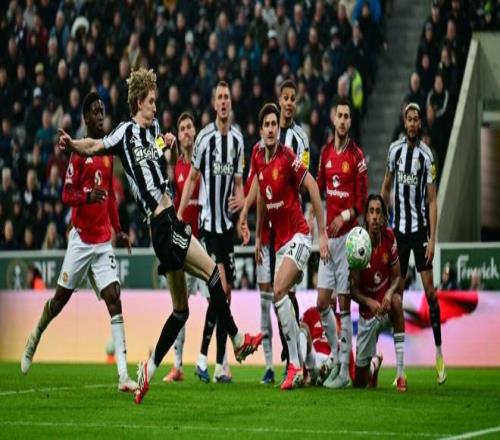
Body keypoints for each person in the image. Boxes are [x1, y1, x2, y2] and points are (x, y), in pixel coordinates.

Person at [57, 68, 262, 404]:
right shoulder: (124, 133)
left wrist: (167, 146)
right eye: (152, 101)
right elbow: (93, 145)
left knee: (181, 311)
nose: (156, 106)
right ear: (139, 101)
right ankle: (238, 342)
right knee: (213, 272)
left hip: (166, 227)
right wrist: (72, 145)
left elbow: (159, 160)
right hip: (164, 224)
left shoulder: (152, 133)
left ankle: (147, 373)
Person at [21, 92, 137, 392]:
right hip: (81, 240)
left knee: (114, 298)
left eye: (103, 111)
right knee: (59, 302)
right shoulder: (78, 154)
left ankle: (123, 375)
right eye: (96, 112)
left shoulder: (108, 154)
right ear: (86, 118)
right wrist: (86, 196)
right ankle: (34, 336)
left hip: (102, 242)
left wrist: (119, 229)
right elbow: (66, 194)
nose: (101, 116)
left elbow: (110, 197)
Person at [251, 103, 329, 390]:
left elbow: (313, 187)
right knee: (281, 300)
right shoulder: (257, 157)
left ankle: (294, 365)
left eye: (274, 124)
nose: (271, 129)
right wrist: (258, 235)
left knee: (278, 291)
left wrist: (321, 234)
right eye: (267, 125)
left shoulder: (288, 157)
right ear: (261, 130)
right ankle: (312, 363)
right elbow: (262, 196)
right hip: (279, 244)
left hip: (299, 236)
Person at [239, 79, 310, 384]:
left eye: (294, 98)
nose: (289, 102)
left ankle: (295, 360)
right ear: (280, 101)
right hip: (270, 231)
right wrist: (250, 221)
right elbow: (259, 187)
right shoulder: (259, 152)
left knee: (284, 293)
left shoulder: (298, 142)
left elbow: (304, 183)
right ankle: (285, 361)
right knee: (270, 296)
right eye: (285, 98)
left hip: (293, 228)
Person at [177, 80, 245, 384]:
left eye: (227, 97)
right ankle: (206, 359)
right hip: (208, 226)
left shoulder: (238, 140)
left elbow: (239, 185)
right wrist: (180, 215)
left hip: (227, 228)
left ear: (230, 102)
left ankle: (216, 364)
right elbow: (192, 179)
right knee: (221, 287)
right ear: (214, 103)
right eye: (220, 97)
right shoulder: (204, 138)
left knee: (223, 296)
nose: (224, 101)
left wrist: (242, 213)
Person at [381, 102, 446, 384]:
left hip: (419, 233)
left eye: (416, 119)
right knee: (396, 296)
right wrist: (382, 226)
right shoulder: (394, 151)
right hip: (398, 233)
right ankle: (400, 368)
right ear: (404, 121)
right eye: (409, 119)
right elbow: (386, 188)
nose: (412, 124)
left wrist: (432, 239)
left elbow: (432, 200)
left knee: (430, 293)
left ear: (420, 124)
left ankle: (439, 353)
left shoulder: (427, 156)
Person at [313, 97, 368, 389]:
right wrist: (319, 233)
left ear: (350, 121)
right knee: (323, 302)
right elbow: (317, 192)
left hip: (347, 239)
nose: (343, 121)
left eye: (347, 116)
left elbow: (362, 200)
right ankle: (336, 358)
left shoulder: (356, 157)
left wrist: (344, 215)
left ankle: (345, 372)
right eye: (340, 115)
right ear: (334, 119)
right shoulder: (325, 153)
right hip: (328, 240)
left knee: (344, 304)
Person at [350, 194, 407, 392]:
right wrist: (368, 302)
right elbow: (352, 289)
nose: (375, 216)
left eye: (378, 212)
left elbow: (398, 276)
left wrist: (389, 293)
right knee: (359, 383)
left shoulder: (389, 237)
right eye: (371, 212)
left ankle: (400, 374)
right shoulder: (357, 242)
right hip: (368, 315)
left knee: (398, 301)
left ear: (383, 217)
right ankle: (374, 364)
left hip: (386, 307)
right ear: (366, 216)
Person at [162, 112, 203, 383]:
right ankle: (177, 365)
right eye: (182, 128)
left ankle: (221, 363)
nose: (186, 131)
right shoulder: (177, 167)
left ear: (195, 131)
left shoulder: (203, 163)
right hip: (184, 247)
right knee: (180, 306)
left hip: (206, 244)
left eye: (189, 127)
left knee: (218, 300)